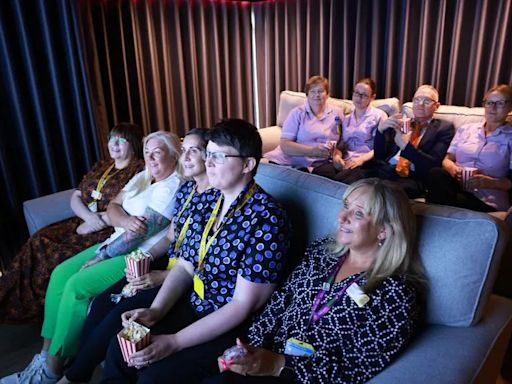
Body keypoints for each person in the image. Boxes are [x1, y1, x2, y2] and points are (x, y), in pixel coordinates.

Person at [101, 118, 290, 383]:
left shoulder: (267, 218)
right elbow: (186, 265)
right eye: (208, 154)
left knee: (154, 376)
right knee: (119, 349)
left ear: (248, 164)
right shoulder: (208, 200)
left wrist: (175, 342)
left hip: (231, 326)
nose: (209, 162)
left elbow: (241, 305)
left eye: (219, 156)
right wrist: (156, 311)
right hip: (194, 303)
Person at [0, 131, 182, 384]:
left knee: (76, 286)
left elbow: (137, 237)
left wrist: (102, 255)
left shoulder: (172, 187)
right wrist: (126, 220)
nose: (150, 158)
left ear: (174, 155)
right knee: (60, 273)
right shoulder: (143, 176)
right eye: (147, 152)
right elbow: (113, 206)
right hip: (113, 240)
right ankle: (43, 356)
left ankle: (52, 369)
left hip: (136, 254)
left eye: (157, 152)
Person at [207, 178, 425, 384]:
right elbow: (280, 301)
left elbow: (356, 367)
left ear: (383, 231)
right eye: (345, 205)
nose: (342, 217)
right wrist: (246, 350)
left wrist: (277, 365)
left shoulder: (396, 294)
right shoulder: (323, 252)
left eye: (358, 214)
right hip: (264, 357)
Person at [58, 128, 217, 383]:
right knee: (101, 303)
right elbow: (168, 238)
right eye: (185, 150)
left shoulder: (216, 197)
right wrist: (143, 262)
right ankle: (77, 370)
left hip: (179, 277)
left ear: (211, 157)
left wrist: (161, 275)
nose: (186, 157)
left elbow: (205, 262)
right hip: (164, 264)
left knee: (115, 320)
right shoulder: (189, 192)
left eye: (193, 151)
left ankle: (72, 376)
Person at [0, 123, 144, 323]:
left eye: (121, 140)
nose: (114, 144)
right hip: (84, 219)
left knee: (56, 252)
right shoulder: (102, 165)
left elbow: (130, 208)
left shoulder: (139, 170)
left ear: (134, 144)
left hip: (108, 227)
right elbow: (76, 196)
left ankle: (35, 307)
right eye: (112, 139)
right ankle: (9, 296)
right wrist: (88, 218)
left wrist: (97, 221)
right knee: (40, 238)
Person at [348, 85, 455, 198]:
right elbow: (379, 155)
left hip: (411, 177)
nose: (420, 104)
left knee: (390, 193)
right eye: (417, 100)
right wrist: (380, 131)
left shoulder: (444, 128)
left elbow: (433, 165)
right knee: (347, 178)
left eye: (427, 101)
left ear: (436, 106)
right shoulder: (402, 122)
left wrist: (405, 147)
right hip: (385, 169)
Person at [426, 84, 512, 212]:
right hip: (456, 186)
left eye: (500, 103)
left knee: (442, 200)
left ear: (509, 107)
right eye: (489, 103)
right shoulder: (466, 129)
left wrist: (490, 182)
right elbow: (448, 159)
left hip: (486, 198)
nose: (493, 108)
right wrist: (452, 169)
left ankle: (439, 213)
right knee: (436, 174)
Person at [313, 78, 388, 182]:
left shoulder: (379, 116)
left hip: (367, 162)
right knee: (318, 172)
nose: (359, 97)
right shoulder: (346, 118)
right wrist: (337, 157)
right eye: (356, 93)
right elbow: (342, 145)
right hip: (347, 160)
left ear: (372, 98)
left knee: (342, 179)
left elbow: (381, 148)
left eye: (364, 95)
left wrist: (361, 159)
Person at [264, 75, 343, 171]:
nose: (316, 95)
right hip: (290, 160)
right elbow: (285, 145)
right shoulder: (297, 113)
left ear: (327, 94)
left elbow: (342, 143)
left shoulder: (337, 113)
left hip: (319, 163)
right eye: (312, 91)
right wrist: (313, 151)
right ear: (307, 94)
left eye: (321, 91)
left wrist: (337, 156)